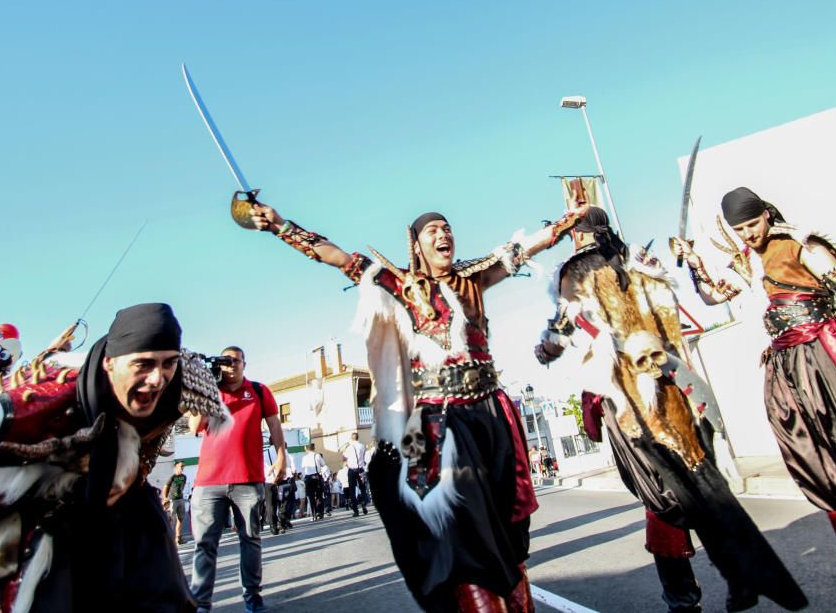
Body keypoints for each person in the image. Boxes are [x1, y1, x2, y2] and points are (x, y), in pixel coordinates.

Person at [248, 199, 589, 612]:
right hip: (434, 426)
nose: (443, 234)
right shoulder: (396, 284)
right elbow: (337, 256)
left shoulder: (474, 277)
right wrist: (281, 225)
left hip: (492, 416)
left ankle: (517, 602)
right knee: (454, 530)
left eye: (447, 228)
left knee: (508, 526)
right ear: (416, 245)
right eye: (433, 231)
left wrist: (568, 221)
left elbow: (523, 249)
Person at [536, 207, 806, 612]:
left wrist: (545, 348)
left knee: (661, 498)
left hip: (627, 396)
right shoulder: (643, 265)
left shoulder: (573, 274)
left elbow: (559, 335)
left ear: (577, 237)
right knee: (701, 484)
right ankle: (738, 580)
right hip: (674, 385)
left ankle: (684, 598)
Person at [0, 302, 230, 612]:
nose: (157, 378)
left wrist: (132, 463)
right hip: (52, 522)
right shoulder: (39, 409)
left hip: (130, 512)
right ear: (109, 364)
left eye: (167, 363)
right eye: (143, 364)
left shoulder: (182, 379)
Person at [672, 187, 836, 606]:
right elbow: (714, 297)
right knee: (817, 462)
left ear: (766, 215)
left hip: (826, 358)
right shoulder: (745, 260)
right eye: (740, 229)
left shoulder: (799, 243)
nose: (749, 234)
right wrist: (696, 264)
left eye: (753, 224)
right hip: (786, 369)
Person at [188, 346, 286, 613]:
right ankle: (201, 603)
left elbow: (274, 424)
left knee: (251, 540)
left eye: (236, 361)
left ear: (244, 363)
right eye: (225, 361)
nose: (231, 365)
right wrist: (207, 388)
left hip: (247, 478)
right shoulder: (211, 390)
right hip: (209, 482)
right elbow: (194, 426)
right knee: (205, 544)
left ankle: (253, 598)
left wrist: (281, 457)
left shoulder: (258, 390)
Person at [342, 432, 369, 517]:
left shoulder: (349, 447)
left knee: (352, 490)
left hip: (352, 470)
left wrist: (344, 449)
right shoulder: (362, 446)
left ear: (351, 438)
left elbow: (343, 458)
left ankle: (356, 511)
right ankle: (364, 504)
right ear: (358, 437)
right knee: (363, 488)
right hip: (361, 469)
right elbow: (364, 456)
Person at [163, 461, 189, 545]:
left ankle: (178, 538)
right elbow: (165, 487)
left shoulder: (184, 477)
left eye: (183, 467)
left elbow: (182, 486)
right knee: (171, 519)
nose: (181, 468)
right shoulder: (172, 477)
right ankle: (168, 539)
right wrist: (165, 498)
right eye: (180, 466)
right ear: (176, 467)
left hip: (180, 499)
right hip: (172, 500)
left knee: (180, 519)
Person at [299, 444, 327, 521]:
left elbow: (303, 469)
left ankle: (314, 514)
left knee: (311, 497)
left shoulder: (304, 458)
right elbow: (323, 464)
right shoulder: (317, 455)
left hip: (308, 478)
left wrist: (304, 478)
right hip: (316, 476)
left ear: (306, 449)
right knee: (319, 495)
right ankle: (320, 513)